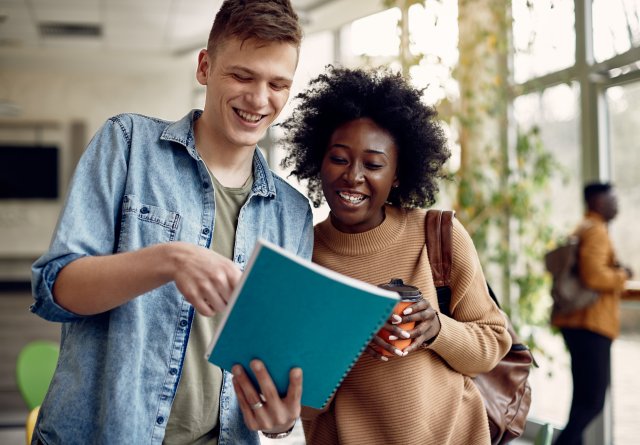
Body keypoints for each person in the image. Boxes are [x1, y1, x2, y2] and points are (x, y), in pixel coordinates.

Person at [30, 1, 312, 443]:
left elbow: (276, 367)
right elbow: (55, 289)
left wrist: (279, 422)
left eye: (277, 84)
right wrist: (170, 259)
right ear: (205, 66)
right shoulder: (126, 144)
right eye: (242, 76)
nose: (260, 99)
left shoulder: (293, 213)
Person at [280, 65, 512, 444]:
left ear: (399, 175)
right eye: (339, 158)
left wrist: (436, 328)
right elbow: (302, 401)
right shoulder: (302, 252)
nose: (353, 176)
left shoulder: (438, 235)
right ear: (318, 159)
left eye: (373, 165)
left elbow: (491, 346)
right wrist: (341, 339)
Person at [551, 182, 633, 445]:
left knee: (582, 401)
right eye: (613, 199)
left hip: (576, 323)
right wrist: (623, 275)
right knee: (593, 402)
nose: (617, 203)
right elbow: (594, 275)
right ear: (598, 202)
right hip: (590, 324)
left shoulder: (583, 226)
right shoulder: (596, 230)